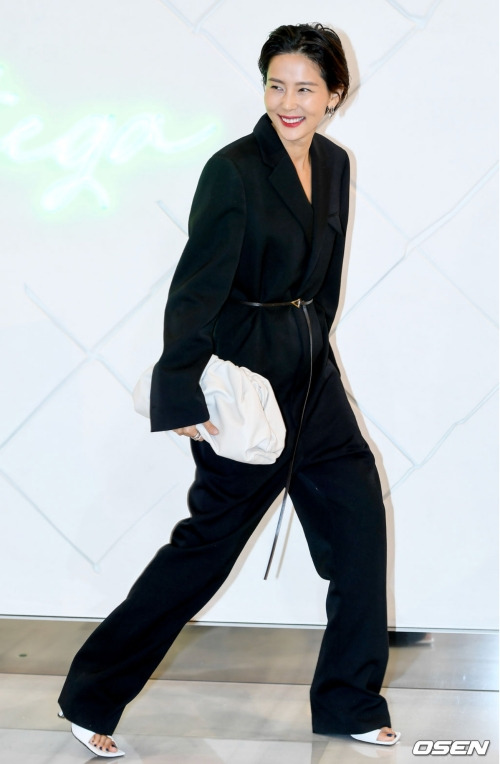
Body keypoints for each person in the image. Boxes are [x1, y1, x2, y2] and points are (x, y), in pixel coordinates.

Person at [58, 22, 400, 757]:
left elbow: (325, 275)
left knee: (359, 530)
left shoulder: (335, 163)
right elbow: (196, 285)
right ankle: (91, 695)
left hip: (315, 382)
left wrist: (316, 341)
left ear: (335, 95)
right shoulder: (234, 170)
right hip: (246, 384)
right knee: (206, 552)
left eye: (305, 88)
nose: (288, 102)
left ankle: (348, 700)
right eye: (276, 85)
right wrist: (181, 388)